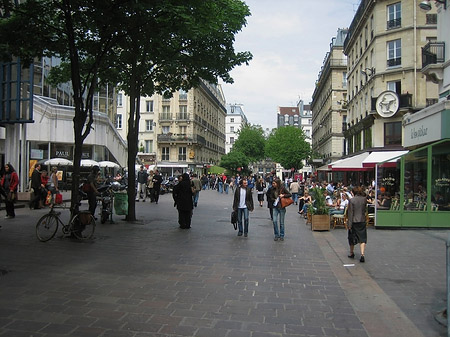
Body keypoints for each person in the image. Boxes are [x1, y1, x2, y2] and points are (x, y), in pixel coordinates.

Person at [347, 186, 368, 263]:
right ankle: (362, 254)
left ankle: (351, 252)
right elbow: (365, 210)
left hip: (354, 221)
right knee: (362, 237)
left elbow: (350, 213)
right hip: (362, 220)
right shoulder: (364, 199)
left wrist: (349, 224)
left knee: (351, 237)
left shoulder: (352, 200)